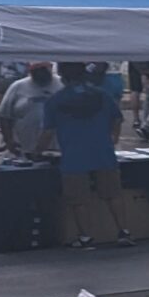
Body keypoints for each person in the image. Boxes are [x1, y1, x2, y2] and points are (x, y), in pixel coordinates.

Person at [45, 61, 128, 249]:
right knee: (113, 194)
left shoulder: (56, 100)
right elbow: (117, 118)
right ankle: (124, 232)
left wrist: (36, 151)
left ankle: (86, 237)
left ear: (63, 77)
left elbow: (47, 132)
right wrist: (113, 137)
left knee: (78, 199)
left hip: (74, 156)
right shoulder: (102, 95)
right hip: (103, 152)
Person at [0, 61, 59, 160]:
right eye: (36, 70)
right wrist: (9, 141)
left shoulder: (61, 84)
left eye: (43, 69)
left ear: (50, 67)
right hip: (23, 149)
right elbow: (3, 116)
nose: (40, 73)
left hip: (56, 150)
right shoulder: (18, 86)